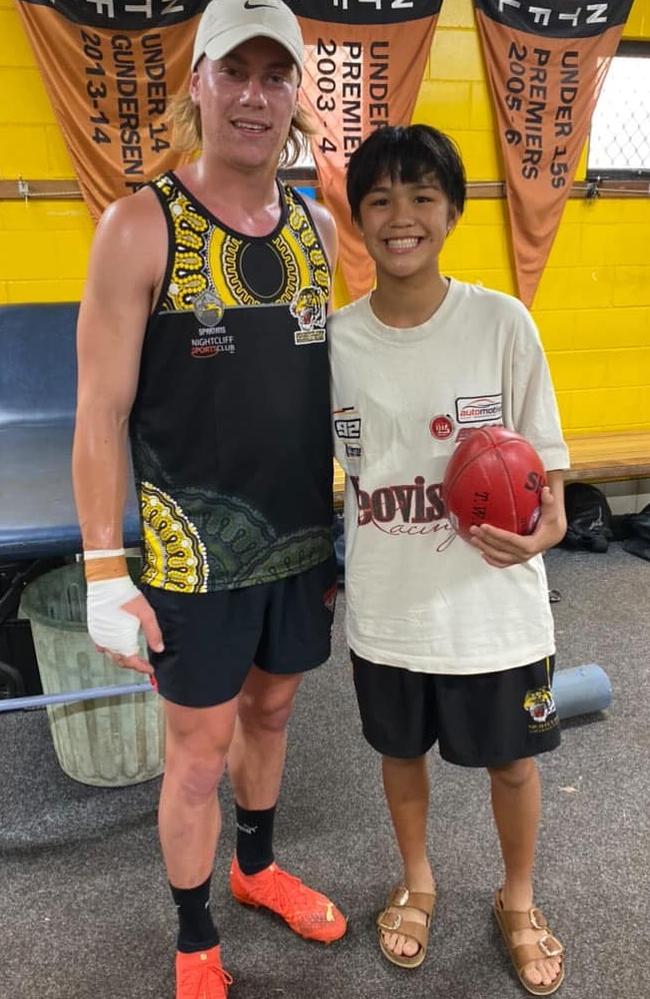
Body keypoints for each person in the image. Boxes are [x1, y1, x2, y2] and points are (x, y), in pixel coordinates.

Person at [72, 2, 346, 996]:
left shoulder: (315, 226)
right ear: (198, 82)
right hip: (191, 557)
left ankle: (257, 865)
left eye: (277, 75)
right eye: (235, 71)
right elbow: (98, 415)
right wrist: (106, 569)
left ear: (295, 97)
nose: (254, 94)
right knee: (197, 754)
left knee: (273, 713)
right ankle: (193, 936)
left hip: (299, 547)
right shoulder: (139, 224)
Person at [329, 124, 568, 996]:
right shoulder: (338, 342)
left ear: (453, 211)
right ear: (359, 217)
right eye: (382, 199)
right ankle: (418, 880)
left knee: (513, 760)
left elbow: (550, 487)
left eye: (422, 196)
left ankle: (518, 897)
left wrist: (545, 531)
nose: (402, 217)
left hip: (494, 606)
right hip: (388, 604)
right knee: (401, 755)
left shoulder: (501, 323)